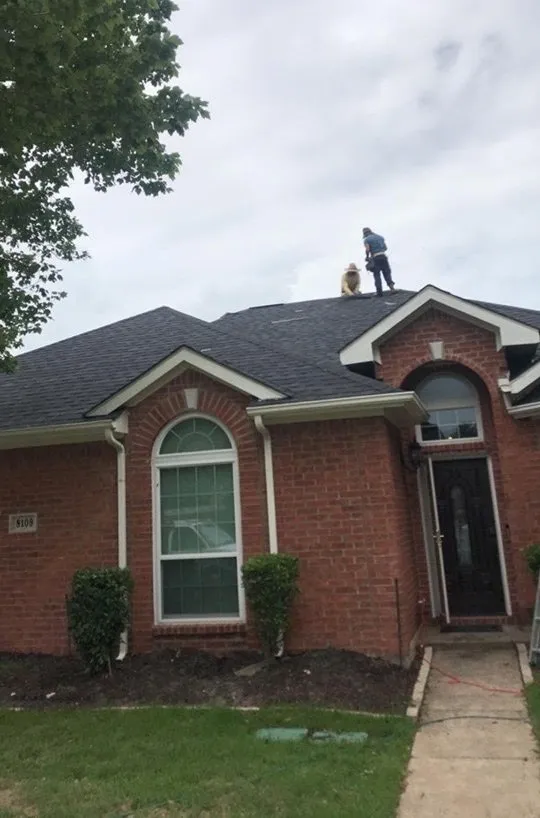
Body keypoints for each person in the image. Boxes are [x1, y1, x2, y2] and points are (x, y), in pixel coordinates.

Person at [363, 227, 395, 296]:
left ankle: (379, 292)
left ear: (365, 234)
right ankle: (392, 288)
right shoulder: (380, 237)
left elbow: (367, 249)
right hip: (383, 256)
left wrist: (367, 256)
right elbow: (385, 248)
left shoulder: (367, 240)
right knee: (387, 272)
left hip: (375, 258)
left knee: (377, 275)